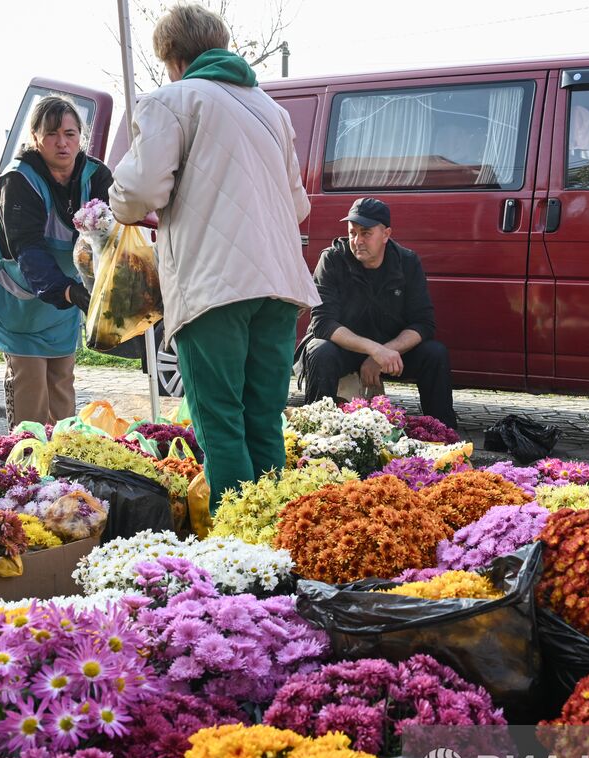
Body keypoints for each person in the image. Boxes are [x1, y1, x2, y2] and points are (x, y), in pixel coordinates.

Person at [109, 2, 318, 510]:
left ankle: (237, 547)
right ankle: (275, 532)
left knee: (220, 420)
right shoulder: (273, 110)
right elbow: (299, 206)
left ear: (173, 59)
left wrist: (113, 202)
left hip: (214, 285)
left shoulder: (172, 101)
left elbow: (137, 194)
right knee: (262, 417)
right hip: (279, 284)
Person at [0, 96, 112, 427]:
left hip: (60, 290)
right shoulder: (18, 180)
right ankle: (26, 464)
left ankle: (63, 461)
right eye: (51, 134)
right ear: (35, 137)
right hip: (14, 290)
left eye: (70, 134)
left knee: (61, 377)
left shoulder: (96, 176)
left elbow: (115, 234)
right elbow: (27, 248)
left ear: (80, 136)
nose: (62, 143)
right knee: (29, 379)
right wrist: (69, 292)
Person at [297, 198, 458, 429]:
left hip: (390, 351)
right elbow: (323, 323)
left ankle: (444, 436)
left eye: (366, 233)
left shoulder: (408, 262)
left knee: (435, 353)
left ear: (386, 234)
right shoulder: (332, 259)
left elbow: (423, 323)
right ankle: (316, 433)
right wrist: (374, 350)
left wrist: (384, 353)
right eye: (352, 233)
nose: (357, 241)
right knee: (320, 350)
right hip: (342, 349)